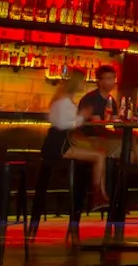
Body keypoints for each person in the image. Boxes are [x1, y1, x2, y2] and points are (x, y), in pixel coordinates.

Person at [41, 70, 108, 211]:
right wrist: (82, 116)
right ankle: (97, 197)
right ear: (76, 82)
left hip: (55, 143)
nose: (84, 83)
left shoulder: (62, 98)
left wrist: (81, 117)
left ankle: (100, 196)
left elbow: (62, 122)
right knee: (99, 155)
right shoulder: (65, 101)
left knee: (99, 152)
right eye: (83, 80)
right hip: (59, 145)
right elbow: (64, 124)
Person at [77, 65, 138, 163]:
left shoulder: (111, 101)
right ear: (99, 81)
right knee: (129, 150)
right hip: (89, 139)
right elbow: (98, 128)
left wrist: (131, 132)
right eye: (108, 78)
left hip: (103, 137)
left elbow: (116, 126)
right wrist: (127, 135)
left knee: (131, 150)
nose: (112, 82)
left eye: (113, 78)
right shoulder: (90, 99)